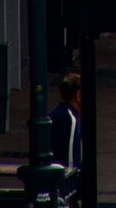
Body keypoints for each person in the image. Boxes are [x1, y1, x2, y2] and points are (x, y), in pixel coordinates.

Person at [48, 75, 82, 203]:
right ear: (78, 94)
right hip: (63, 184)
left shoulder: (61, 113)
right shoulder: (69, 118)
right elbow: (70, 157)